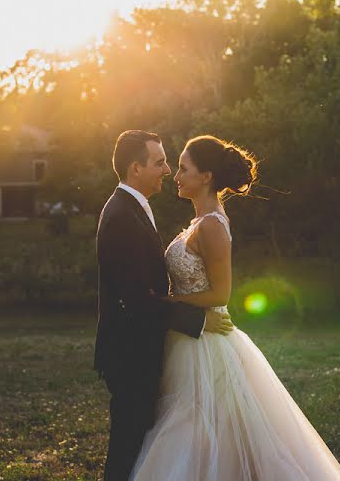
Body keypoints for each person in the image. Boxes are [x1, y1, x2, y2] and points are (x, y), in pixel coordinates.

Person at [129, 135, 340, 480]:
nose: (176, 175)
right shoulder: (199, 222)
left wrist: (169, 302)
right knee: (198, 428)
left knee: (197, 426)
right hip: (186, 337)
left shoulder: (214, 225)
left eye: (184, 169)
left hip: (207, 344)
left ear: (205, 177)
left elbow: (221, 294)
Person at [93, 130, 235, 481]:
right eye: (159, 163)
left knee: (147, 441)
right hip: (130, 353)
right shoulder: (124, 216)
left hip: (152, 347)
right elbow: (140, 300)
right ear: (135, 168)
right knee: (129, 446)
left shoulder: (133, 209)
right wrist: (195, 321)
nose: (168, 171)